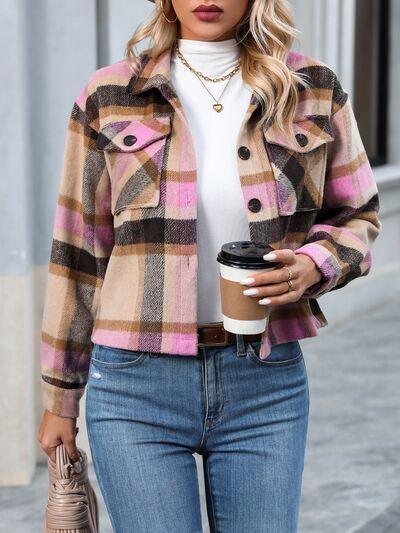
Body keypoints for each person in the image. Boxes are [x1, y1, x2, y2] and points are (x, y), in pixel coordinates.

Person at [38, 0, 382, 531]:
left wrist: (314, 265)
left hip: (264, 381)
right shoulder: (109, 95)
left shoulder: (312, 87)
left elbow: (358, 215)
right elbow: (79, 253)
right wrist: (61, 398)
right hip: (134, 386)